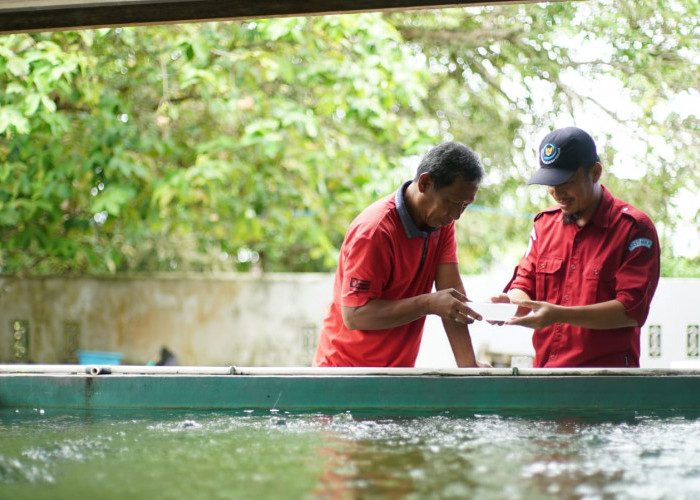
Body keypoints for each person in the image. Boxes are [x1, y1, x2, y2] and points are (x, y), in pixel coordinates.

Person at [495, 126, 660, 368]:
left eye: (566, 182)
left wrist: (559, 314)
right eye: (549, 183)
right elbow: (524, 284)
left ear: (595, 172)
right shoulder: (544, 225)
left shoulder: (634, 229)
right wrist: (507, 305)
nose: (557, 193)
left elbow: (630, 311)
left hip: (607, 382)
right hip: (547, 377)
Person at [313, 142, 489, 368]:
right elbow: (355, 315)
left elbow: (452, 299)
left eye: (465, 205)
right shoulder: (375, 231)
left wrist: (469, 367)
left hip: (396, 373)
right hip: (344, 372)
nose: (457, 214)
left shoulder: (442, 223)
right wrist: (427, 303)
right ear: (425, 183)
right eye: (453, 202)